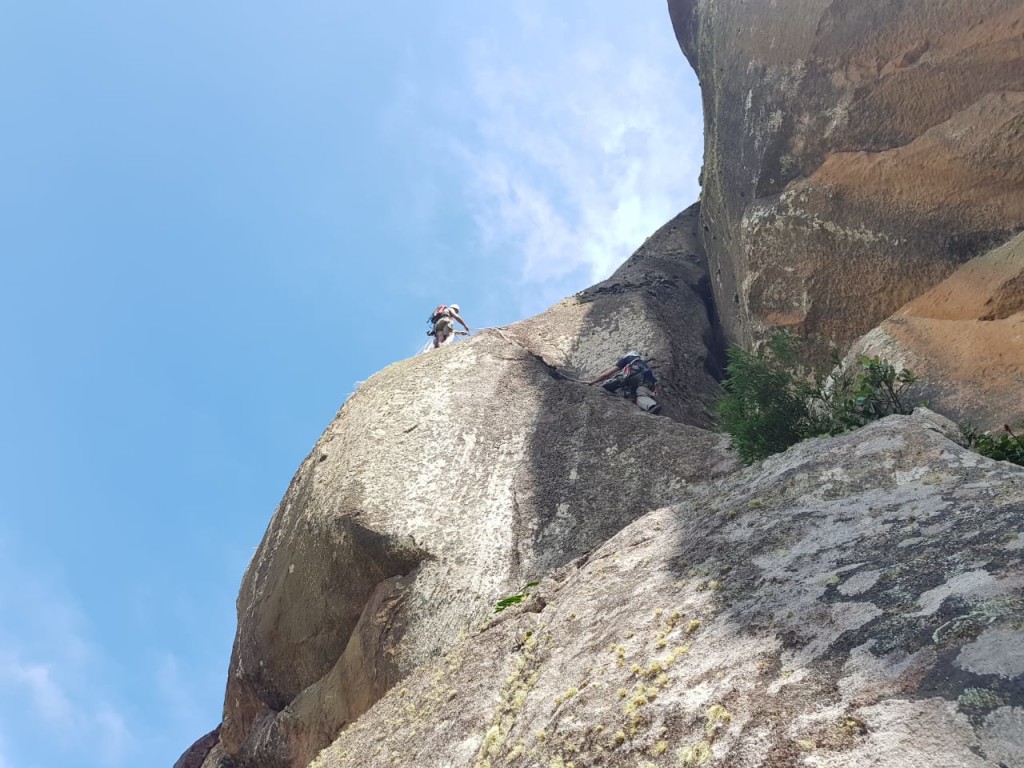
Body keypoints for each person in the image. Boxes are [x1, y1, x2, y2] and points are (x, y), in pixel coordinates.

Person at [587, 351, 661, 414]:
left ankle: (651, 406)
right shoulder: (643, 364)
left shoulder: (627, 359)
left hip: (634, 378)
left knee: (609, 384)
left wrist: (592, 382)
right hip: (649, 386)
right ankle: (651, 404)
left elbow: (606, 374)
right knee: (640, 395)